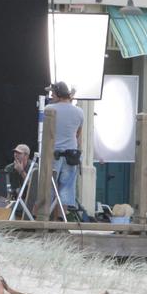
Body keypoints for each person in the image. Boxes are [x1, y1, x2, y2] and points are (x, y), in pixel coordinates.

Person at [46, 82, 85, 215]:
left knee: (50, 189)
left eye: (52, 93)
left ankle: (48, 219)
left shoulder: (49, 109)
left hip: (53, 154)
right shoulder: (79, 112)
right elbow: (78, 134)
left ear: (57, 94)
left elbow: (47, 133)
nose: (51, 96)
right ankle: (62, 221)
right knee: (66, 190)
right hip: (71, 156)